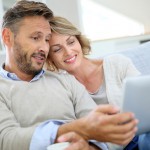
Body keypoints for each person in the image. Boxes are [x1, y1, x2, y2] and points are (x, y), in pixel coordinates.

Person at [0, 1, 138, 150]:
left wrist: (91, 147)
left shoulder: (67, 81)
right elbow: (6, 140)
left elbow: (100, 128)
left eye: (46, 39)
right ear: (8, 37)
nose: (44, 47)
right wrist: (73, 129)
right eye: (35, 38)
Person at [47, 16, 141, 150]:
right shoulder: (61, 88)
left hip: (139, 135)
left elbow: (145, 101)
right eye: (57, 49)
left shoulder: (118, 64)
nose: (68, 52)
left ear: (79, 41)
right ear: (50, 58)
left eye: (71, 42)